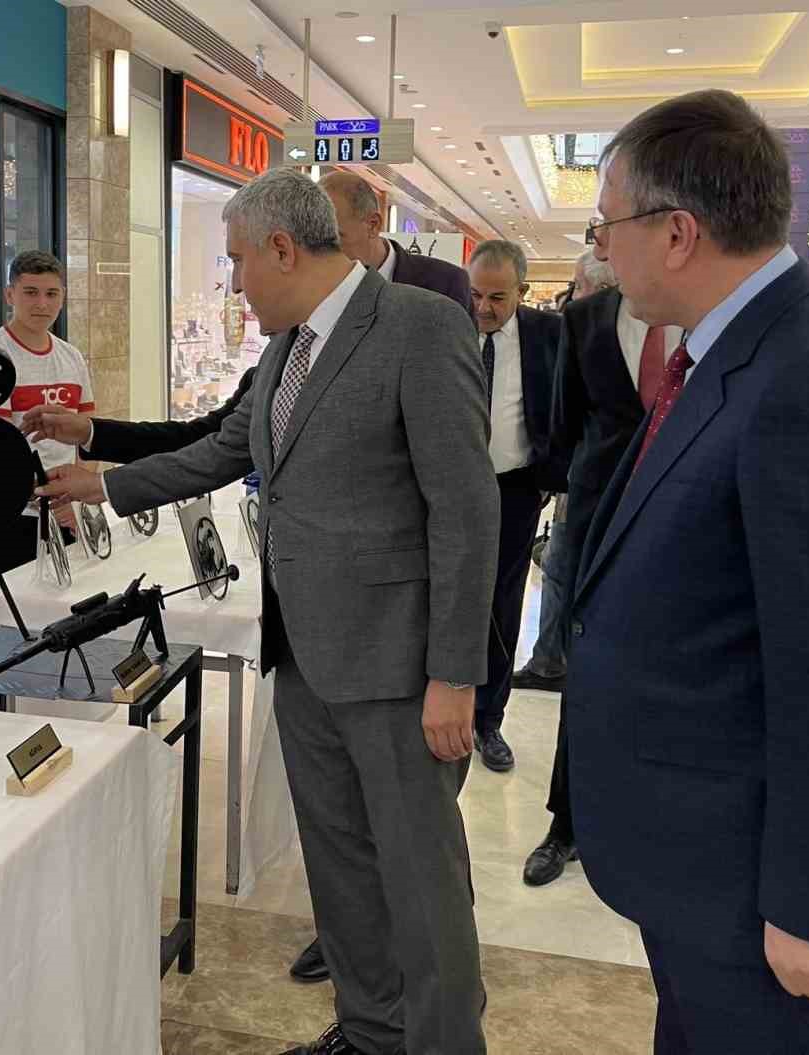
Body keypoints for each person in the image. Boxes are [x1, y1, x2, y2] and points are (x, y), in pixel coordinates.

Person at [36, 167, 497, 1055]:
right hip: (305, 653)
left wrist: (454, 672)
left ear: (285, 248)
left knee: (420, 879)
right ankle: (370, 1033)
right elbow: (218, 450)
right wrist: (108, 480)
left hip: (399, 667)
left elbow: (467, 512)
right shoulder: (285, 348)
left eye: (240, 261)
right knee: (341, 865)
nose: (235, 283)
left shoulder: (418, 326)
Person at [571, 89, 809, 1053]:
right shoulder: (734, 351)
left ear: (678, 231)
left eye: (609, 223)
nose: (602, 246)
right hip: (701, 864)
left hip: (760, 889)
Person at [520, 250, 681, 889]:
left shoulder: (703, 317)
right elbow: (563, 424)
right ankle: (567, 824)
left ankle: (652, 821)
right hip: (595, 515)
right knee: (586, 672)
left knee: (668, 673)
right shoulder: (585, 320)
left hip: (682, 519)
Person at [467, 239, 564, 773]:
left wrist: (552, 472)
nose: (484, 307)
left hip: (515, 490)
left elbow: (565, 405)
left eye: (497, 298)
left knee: (502, 607)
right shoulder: (446, 327)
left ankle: (489, 719)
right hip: (449, 492)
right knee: (446, 597)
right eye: (477, 294)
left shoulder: (548, 335)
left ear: (523, 292)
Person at [0, 250, 93, 577]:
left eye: (51, 293)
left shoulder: (72, 358)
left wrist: (75, 495)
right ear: (9, 294)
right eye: (31, 292)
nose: (42, 303)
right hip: (10, 517)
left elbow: (88, 436)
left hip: (66, 509)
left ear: (62, 298)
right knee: (13, 618)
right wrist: (48, 498)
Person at [320, 170, 471, 312]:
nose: (320, 254)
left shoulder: (446, 284)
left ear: (373, 225)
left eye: (333, 241)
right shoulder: (307, 288)